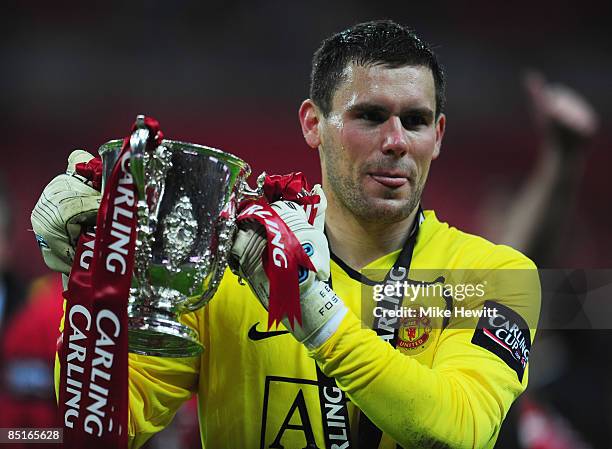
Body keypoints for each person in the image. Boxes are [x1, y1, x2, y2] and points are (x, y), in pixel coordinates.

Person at [31, 20, 540, 449]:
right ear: (312, 123)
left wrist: (307, 304)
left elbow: (459, 431)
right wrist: (95, 282)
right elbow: (104, 429)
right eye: (369, 116)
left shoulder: (496, 275)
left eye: (416, 121)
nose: (395, 141)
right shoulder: (224, 261)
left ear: (439, 136)